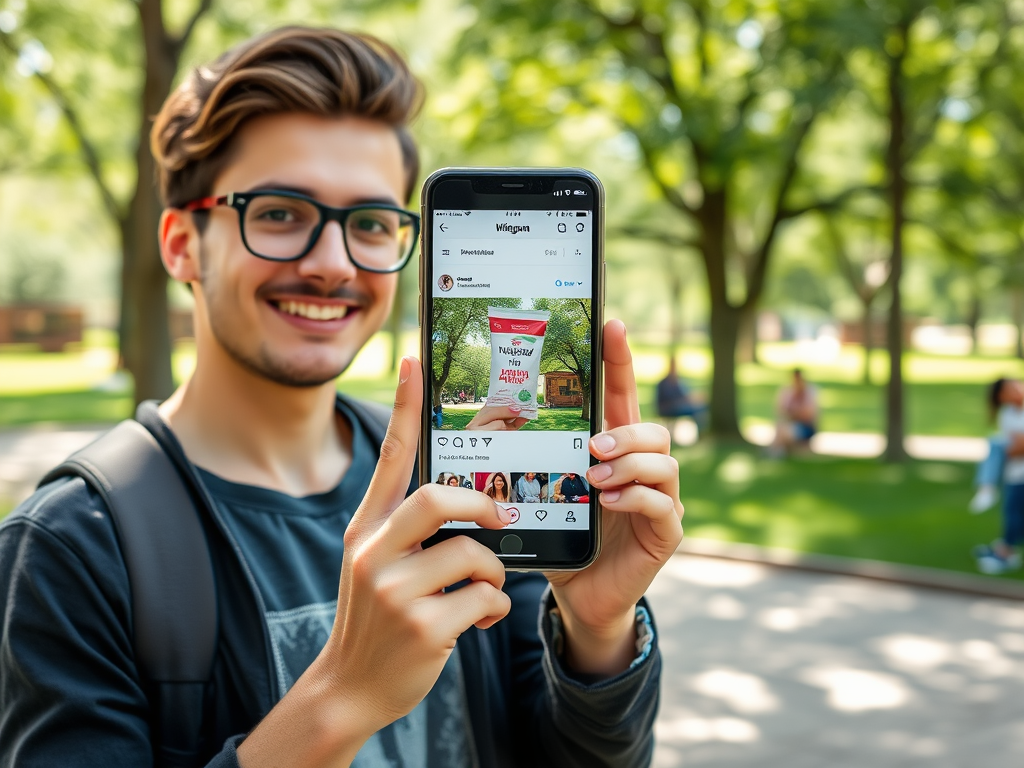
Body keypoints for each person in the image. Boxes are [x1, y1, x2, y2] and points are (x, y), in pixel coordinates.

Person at [0, 27, 684, 768]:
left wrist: (596, 632)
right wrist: (342, 697)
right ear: (180, 243)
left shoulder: (456, 482)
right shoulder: (70, 549)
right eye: (279, 213)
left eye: (368, 224)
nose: (333, 264)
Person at [974, 378, 1024, 574]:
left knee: (1014, 513)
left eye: (1016, 384)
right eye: (1009, 389)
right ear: (1001, 397)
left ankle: (1004, 552)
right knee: (1013, 513)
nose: (1017, 389)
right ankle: (1005, 549)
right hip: (1016, 473)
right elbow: (1015, 449)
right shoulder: (1008, 415)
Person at [770, 368, 819, 456]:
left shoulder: (809, 392)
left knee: (784, 430)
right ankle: (777, 450)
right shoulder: (787, 391)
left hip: (805, 427)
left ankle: (776, 451)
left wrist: (793, 414)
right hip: (789, 425)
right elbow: (780, 410)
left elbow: (808, 414)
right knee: (781, 426)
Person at [655, 356, 707, 435]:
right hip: (669, 409)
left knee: (700, 407)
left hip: (676, 406)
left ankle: (701, 432)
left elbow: (684, 395)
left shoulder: (677, 380)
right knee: (695, 410)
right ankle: (701, 433)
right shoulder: (665, 383)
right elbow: (670, 400)